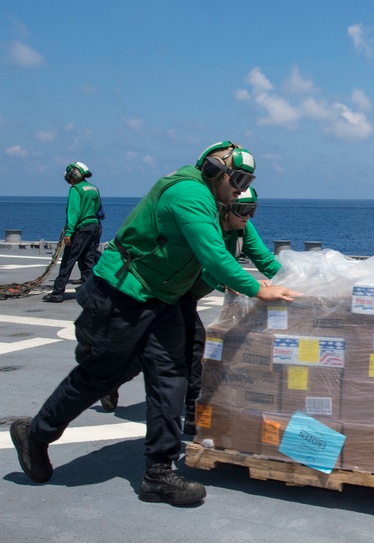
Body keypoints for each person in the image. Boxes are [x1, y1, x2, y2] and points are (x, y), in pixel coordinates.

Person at [9, 141, 300, 506]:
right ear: (214, 171)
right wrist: (258, 290)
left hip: (164, 300)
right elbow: (212, 253)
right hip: (121, 294)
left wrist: (308, 285)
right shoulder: (189, 194)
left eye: (248, 181)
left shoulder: (221, 203)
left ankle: (158, 474)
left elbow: (252, 250)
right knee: (99, 376)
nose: (242, 189)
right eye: (238, 179)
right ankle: (35, 434)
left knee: (171, 376)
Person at [99, 186, 282, 438]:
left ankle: (110, 379)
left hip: (189, 295)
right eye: (242, 210)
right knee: (194, 349)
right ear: (224, 208)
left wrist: (297, 283)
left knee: (160, 350)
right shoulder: (208, 228)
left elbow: (266, 261)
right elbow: (206, 267)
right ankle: (193, 414)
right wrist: (228, 283)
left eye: (252, 211)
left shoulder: (243, 231)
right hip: (173, 293)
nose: (248, 217)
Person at [43, 163, 104, 303]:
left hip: (81, 229)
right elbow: (97, 208)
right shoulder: (94, 188)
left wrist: (69, 233)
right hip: (94, 227)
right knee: (88, 261)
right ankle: (90, 293)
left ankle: (57, 293)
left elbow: (74, 212)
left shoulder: (76, 190)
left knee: (68, 260)